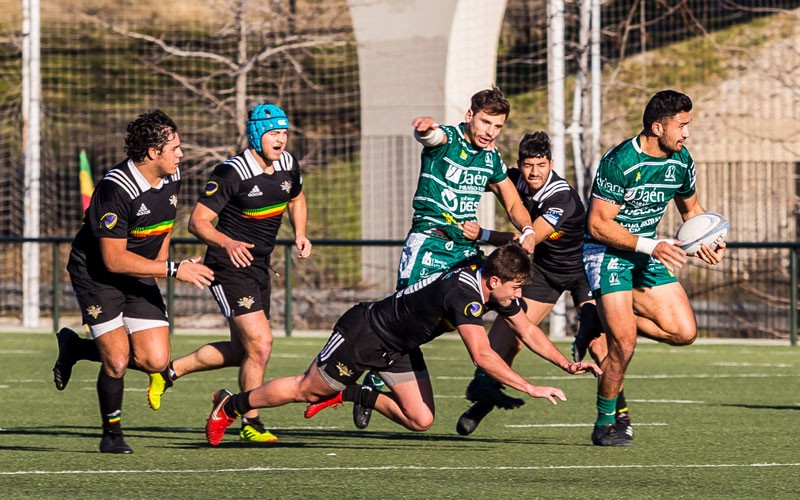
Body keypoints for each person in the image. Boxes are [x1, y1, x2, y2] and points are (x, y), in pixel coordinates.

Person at [203, 243, 602, 446]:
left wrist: (565, 366)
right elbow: (481, 354)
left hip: (399, 346)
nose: (519, 296)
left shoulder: (492, 283)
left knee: (421, 420)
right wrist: (530, 387)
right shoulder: (465, 293)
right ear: (494, 282)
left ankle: (353, 395)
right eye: (516, 287)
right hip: (366, 333)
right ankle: (232, 404)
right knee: (307, 389)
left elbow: (528, 330)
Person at [352, 86, 537, 429]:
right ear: (470, 116)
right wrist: (424, 128)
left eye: (497, 127)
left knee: (487, 307)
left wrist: (527, 230)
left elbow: (513, 203)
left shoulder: (492, 158)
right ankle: (374, 378)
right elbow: (430, 136)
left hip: (464, 252)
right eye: (484, 122)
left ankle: (486, 375)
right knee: (404, 317)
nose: (489, 132)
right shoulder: (449, 139)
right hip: (429, 243)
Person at [145, 103, 311, 443]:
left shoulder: (289, 164)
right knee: (261, 345)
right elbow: (197, 222)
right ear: (256, 136)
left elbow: (296, 198)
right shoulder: (231, 172)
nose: (280, 140)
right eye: (273, 134)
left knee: (242, 352)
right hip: (228, 267)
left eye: (284, 133)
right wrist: (229, 243)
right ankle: (250, 421)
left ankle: (169, 372)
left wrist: (300, 234)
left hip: (260, 265)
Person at [51, 110, 214, 454]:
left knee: (156, 361)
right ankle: (111, 435)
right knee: (118, 360)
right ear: (153, 152)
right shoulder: (115, 189)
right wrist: (172, 270)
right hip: (98, 275)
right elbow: (112, 260)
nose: (180, 154)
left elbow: (164, 226)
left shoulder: (172, 176)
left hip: (138, 270)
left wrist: (162, 266)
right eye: (175, 148)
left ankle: (76, 347)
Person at [583, 90, 726, 446]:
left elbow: (691, 211)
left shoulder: (681, 161)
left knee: (684, 332)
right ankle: (604, 425)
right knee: (625, 345)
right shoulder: (620, 161)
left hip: (648, 253)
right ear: (657, 126)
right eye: (681, 126)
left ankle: (599, 322)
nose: (687, 134)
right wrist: (653, 245)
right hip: (607, 253)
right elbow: (598, 224)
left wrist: (708, 242)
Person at [453, 131, 617, 436]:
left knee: (597, 346)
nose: (534, 172)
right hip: (545, 271)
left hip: (582, 269)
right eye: (528, 165)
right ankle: (486, 398)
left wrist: (484, 236)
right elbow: (479, 175)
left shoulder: (560, 195)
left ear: (551, 164)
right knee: (508, 335)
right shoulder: (515, 179)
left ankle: (614, 415)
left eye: (541, 165)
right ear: (519, 164)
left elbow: (529, 240)